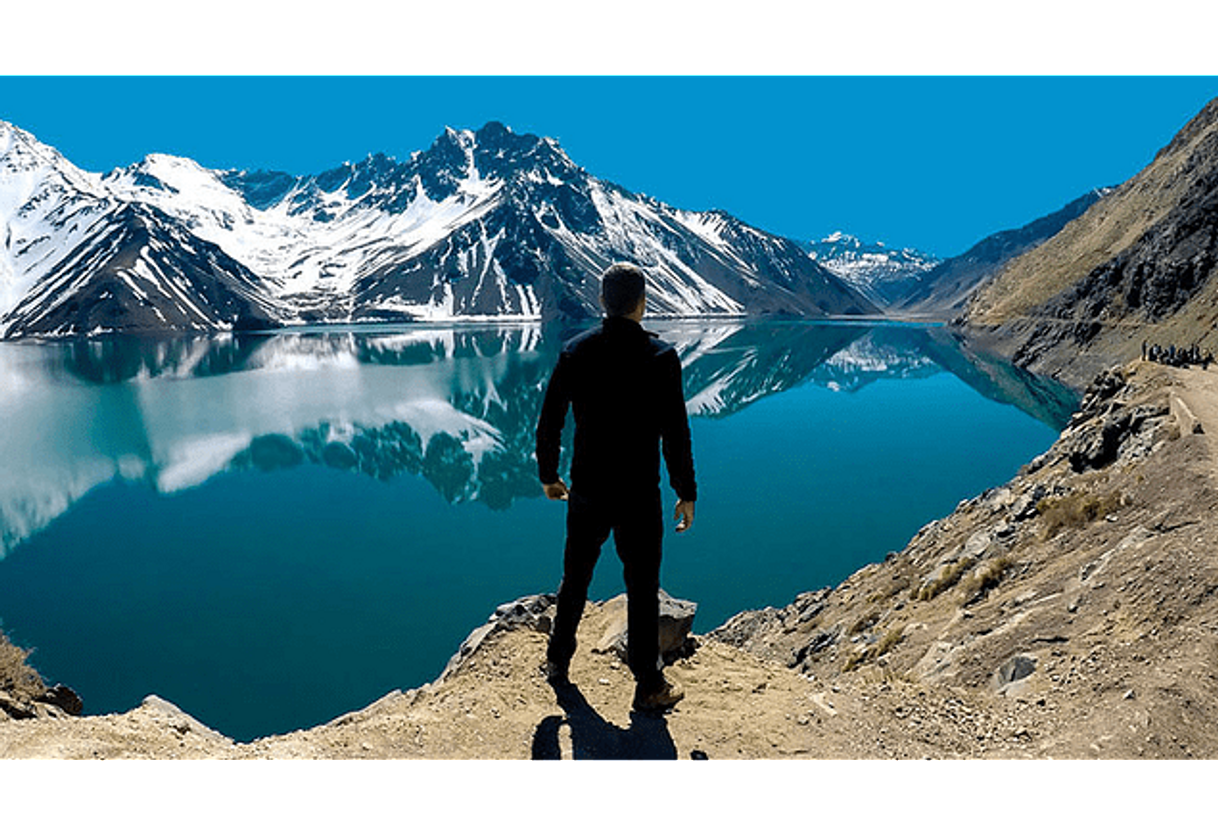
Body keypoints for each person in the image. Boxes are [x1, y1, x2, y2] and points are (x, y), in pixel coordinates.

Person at [535, 262, 697, 713]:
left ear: (603, 302)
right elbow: (675, 433)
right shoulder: (661, 357)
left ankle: (557, 661)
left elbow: (549, 422)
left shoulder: (575, 351)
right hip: (638, 495)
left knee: (576, 579)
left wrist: (549, 475)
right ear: (642, 303)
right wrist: (686, 491)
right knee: (643, 586)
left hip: (587, 488)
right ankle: (648, 683)